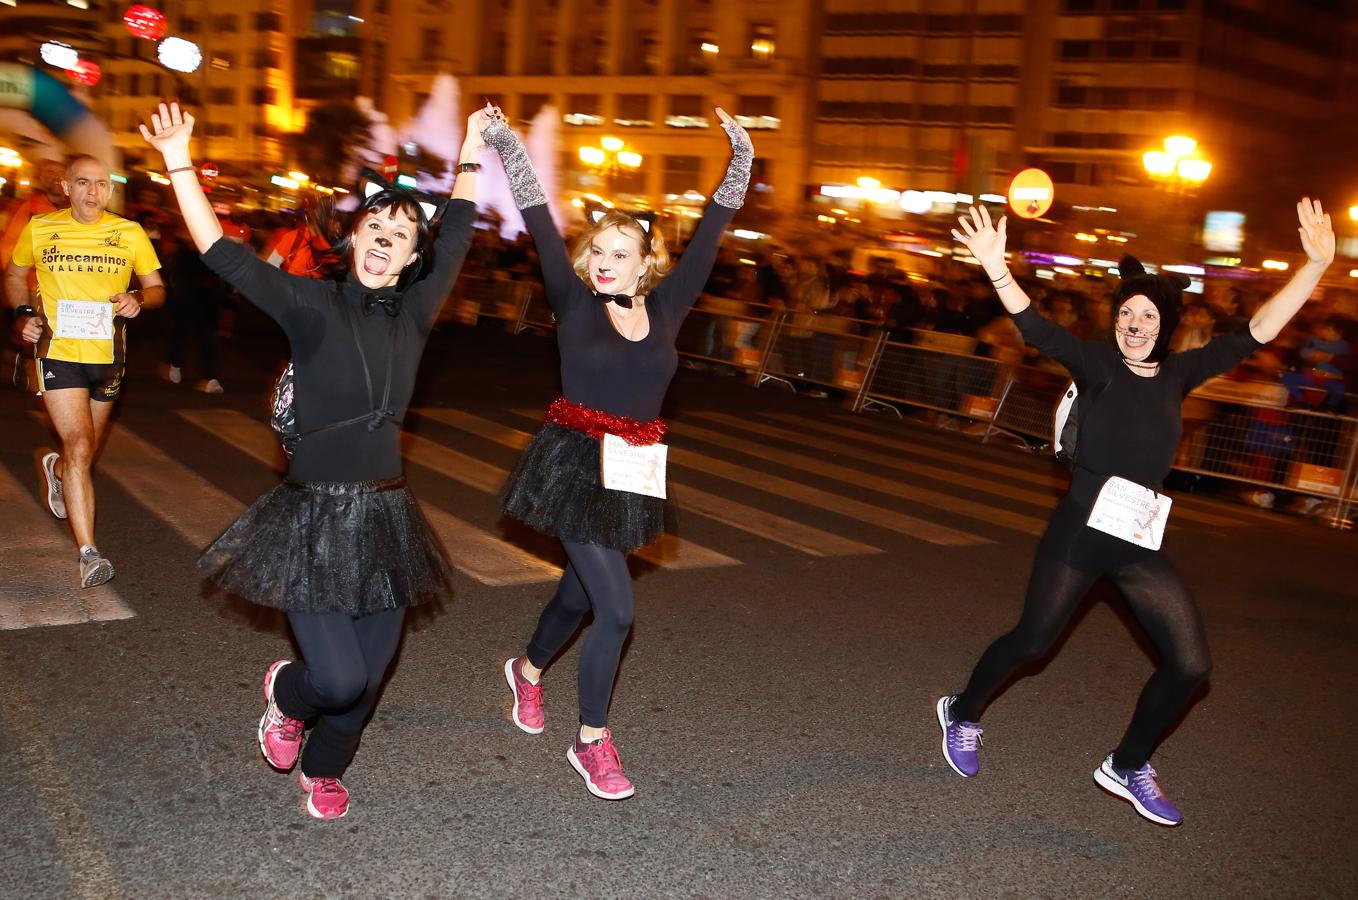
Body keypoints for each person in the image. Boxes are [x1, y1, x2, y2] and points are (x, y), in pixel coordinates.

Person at [939, 200, 1334, 826]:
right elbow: (1039, 331)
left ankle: (1127, 764)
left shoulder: (1181, 374)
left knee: (1191, 666)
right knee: (1032, 641)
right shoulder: (1097, 366)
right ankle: (961, 712)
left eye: (1148, 315)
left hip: (1137, 540)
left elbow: (1257, 331)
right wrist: (997, 269)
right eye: (1126, 313)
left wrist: (1313, 268)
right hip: (1079, 531)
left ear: (1166, 324)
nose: (1134, 323)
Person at [140, 100, 484, 819]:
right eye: (377, 227)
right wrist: (178, 161)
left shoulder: (418, 316)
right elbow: (221, 255)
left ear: (413, 258)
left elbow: (456, 234)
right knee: (334, 677)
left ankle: (325, 767)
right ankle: (287, 695)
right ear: (354, 235)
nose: (387, 241)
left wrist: (473, 151)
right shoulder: (311, 305)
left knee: (370, 675)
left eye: (401, 236)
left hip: (388, 514)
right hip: (313, 515)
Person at [484, 105, 752, 800]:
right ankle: (592, 741)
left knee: (578, 596)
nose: (602, 264)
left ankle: (529, 671)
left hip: (633, 470)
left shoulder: (667, 310)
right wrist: (509, 145)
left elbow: (711, 237)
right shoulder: (574, 303)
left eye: (618, 255)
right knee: (618, 610)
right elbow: (537, 211)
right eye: (595, 253)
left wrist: (741, 162)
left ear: (645, 264)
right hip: (573, 465)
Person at [4, 155, 165, 588]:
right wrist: (22, 315)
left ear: (109, 190)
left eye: (100, 184)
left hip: (108, 354)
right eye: (82, 183)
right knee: (78, 444)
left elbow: (157, 289)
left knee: (85, 448)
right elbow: (16, 275)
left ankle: (56, 470)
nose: (92, 192)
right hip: (58, 351)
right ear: (66, 187)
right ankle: (89, 553)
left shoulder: (128, 233)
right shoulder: (40, 228)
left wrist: (139, 299)